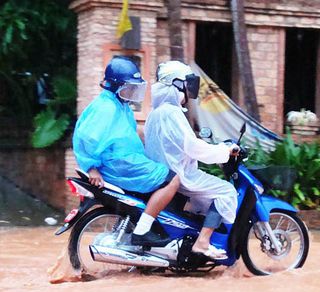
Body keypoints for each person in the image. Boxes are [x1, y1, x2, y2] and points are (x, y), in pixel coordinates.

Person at [73, 56, 180, 247]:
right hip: (120, 165)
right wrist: (92, 168)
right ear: (115, 86)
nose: (132, 91)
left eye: (134, 87)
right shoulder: (105, 108)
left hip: (127, 161)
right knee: (173, 179)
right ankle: (142, 231)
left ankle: (146, 231)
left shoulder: (120, 105)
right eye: (128, 87)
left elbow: (130, 134)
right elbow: (85, 139)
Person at [145, 60, 239, 260]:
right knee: (226, 191)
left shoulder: (157, 113)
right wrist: (224, 150)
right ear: (177, 85)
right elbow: (193, 147)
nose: (190, 88)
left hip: (165, 172)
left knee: (207, 195)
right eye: (187, 83)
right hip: (180, 174)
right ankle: (202, 242)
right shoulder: (172, 113)